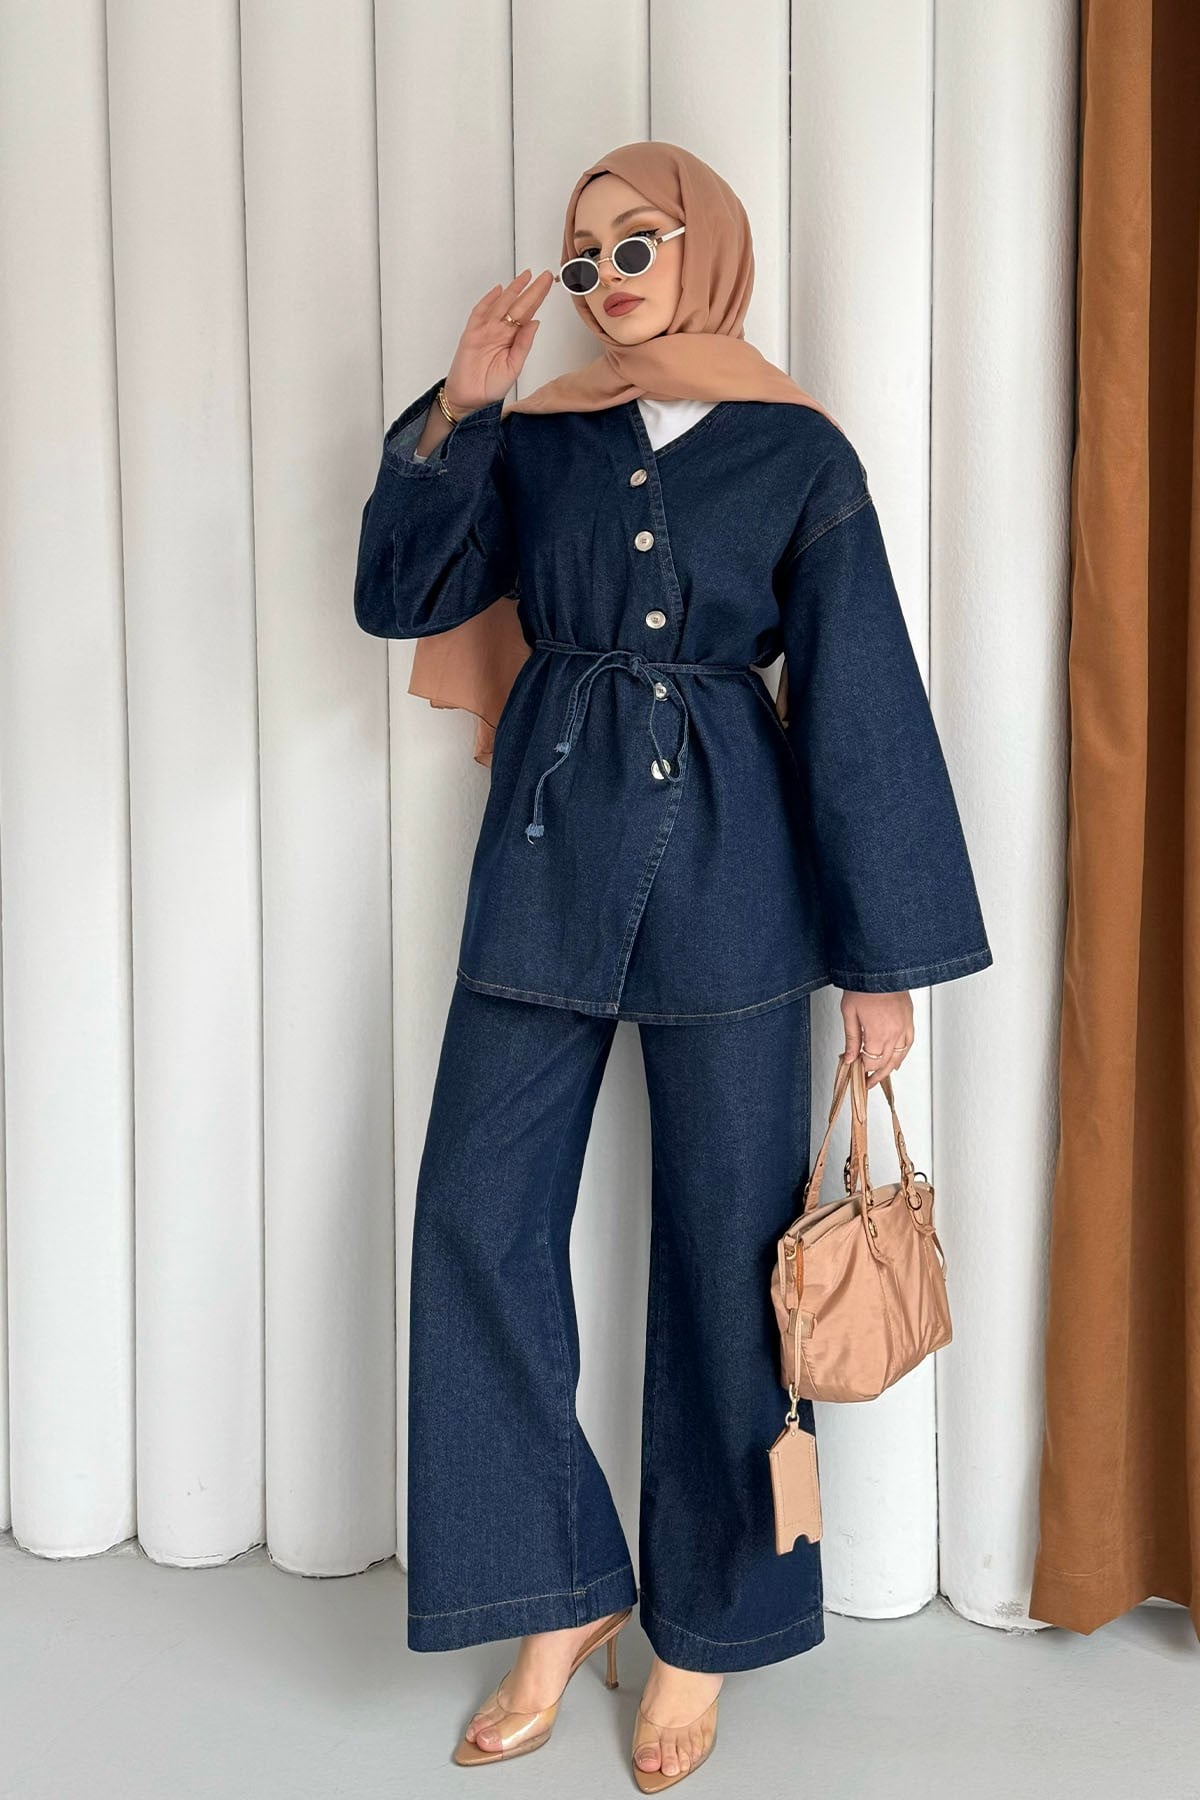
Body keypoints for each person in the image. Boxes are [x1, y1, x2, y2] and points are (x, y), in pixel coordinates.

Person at [354, 140, 992, 1790]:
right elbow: (401, 595)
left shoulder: (798, 451)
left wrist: (881, 963)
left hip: (735, 882)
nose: (607, 278)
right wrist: (461, 413)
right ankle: (560, 1593)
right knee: (475, 1218)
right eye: (582, 259)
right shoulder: (540, 438)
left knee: (728, 1260)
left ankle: (703, 1629)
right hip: (544, 867)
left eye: (634, 243)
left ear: (704, 246)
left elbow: (859, 697)